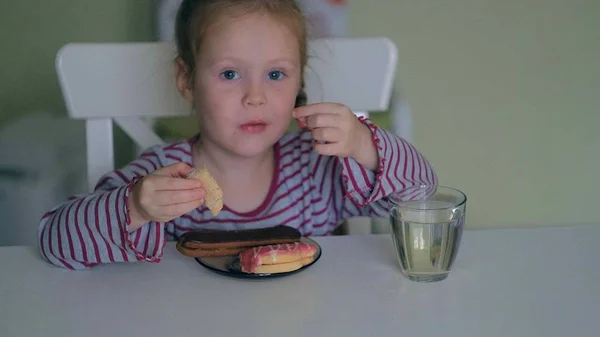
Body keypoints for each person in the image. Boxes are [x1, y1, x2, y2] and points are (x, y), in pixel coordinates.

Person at [38, 0, 438, 270]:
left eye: (276, 74)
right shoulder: (162, 174)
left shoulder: (317, 170)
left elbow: (423, 197)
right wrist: (136, 208)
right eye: (230, 74)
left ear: (300, 77)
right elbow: (54, 243)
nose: (255, 96)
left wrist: (364, 144)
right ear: (187, 79)